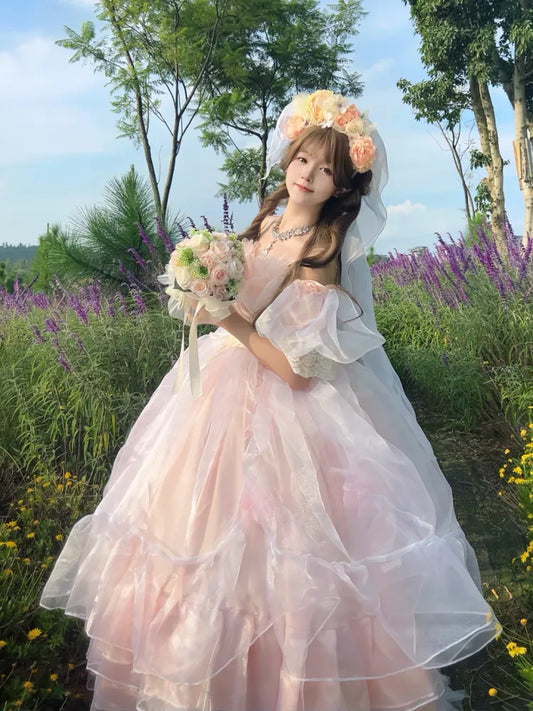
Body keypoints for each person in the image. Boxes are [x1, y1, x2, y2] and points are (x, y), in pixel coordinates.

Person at [40, 90, 499, 711]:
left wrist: (228, 320)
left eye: (326, 169)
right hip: (218, 395)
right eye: (302, 159)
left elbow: (298, 372)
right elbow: (238, 297)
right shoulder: (264, 224)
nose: (307, 174)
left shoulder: (320, 253)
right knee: (190, 524)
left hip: (286, 408)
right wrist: (202, 288)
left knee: (284, 553)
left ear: (344, 185)